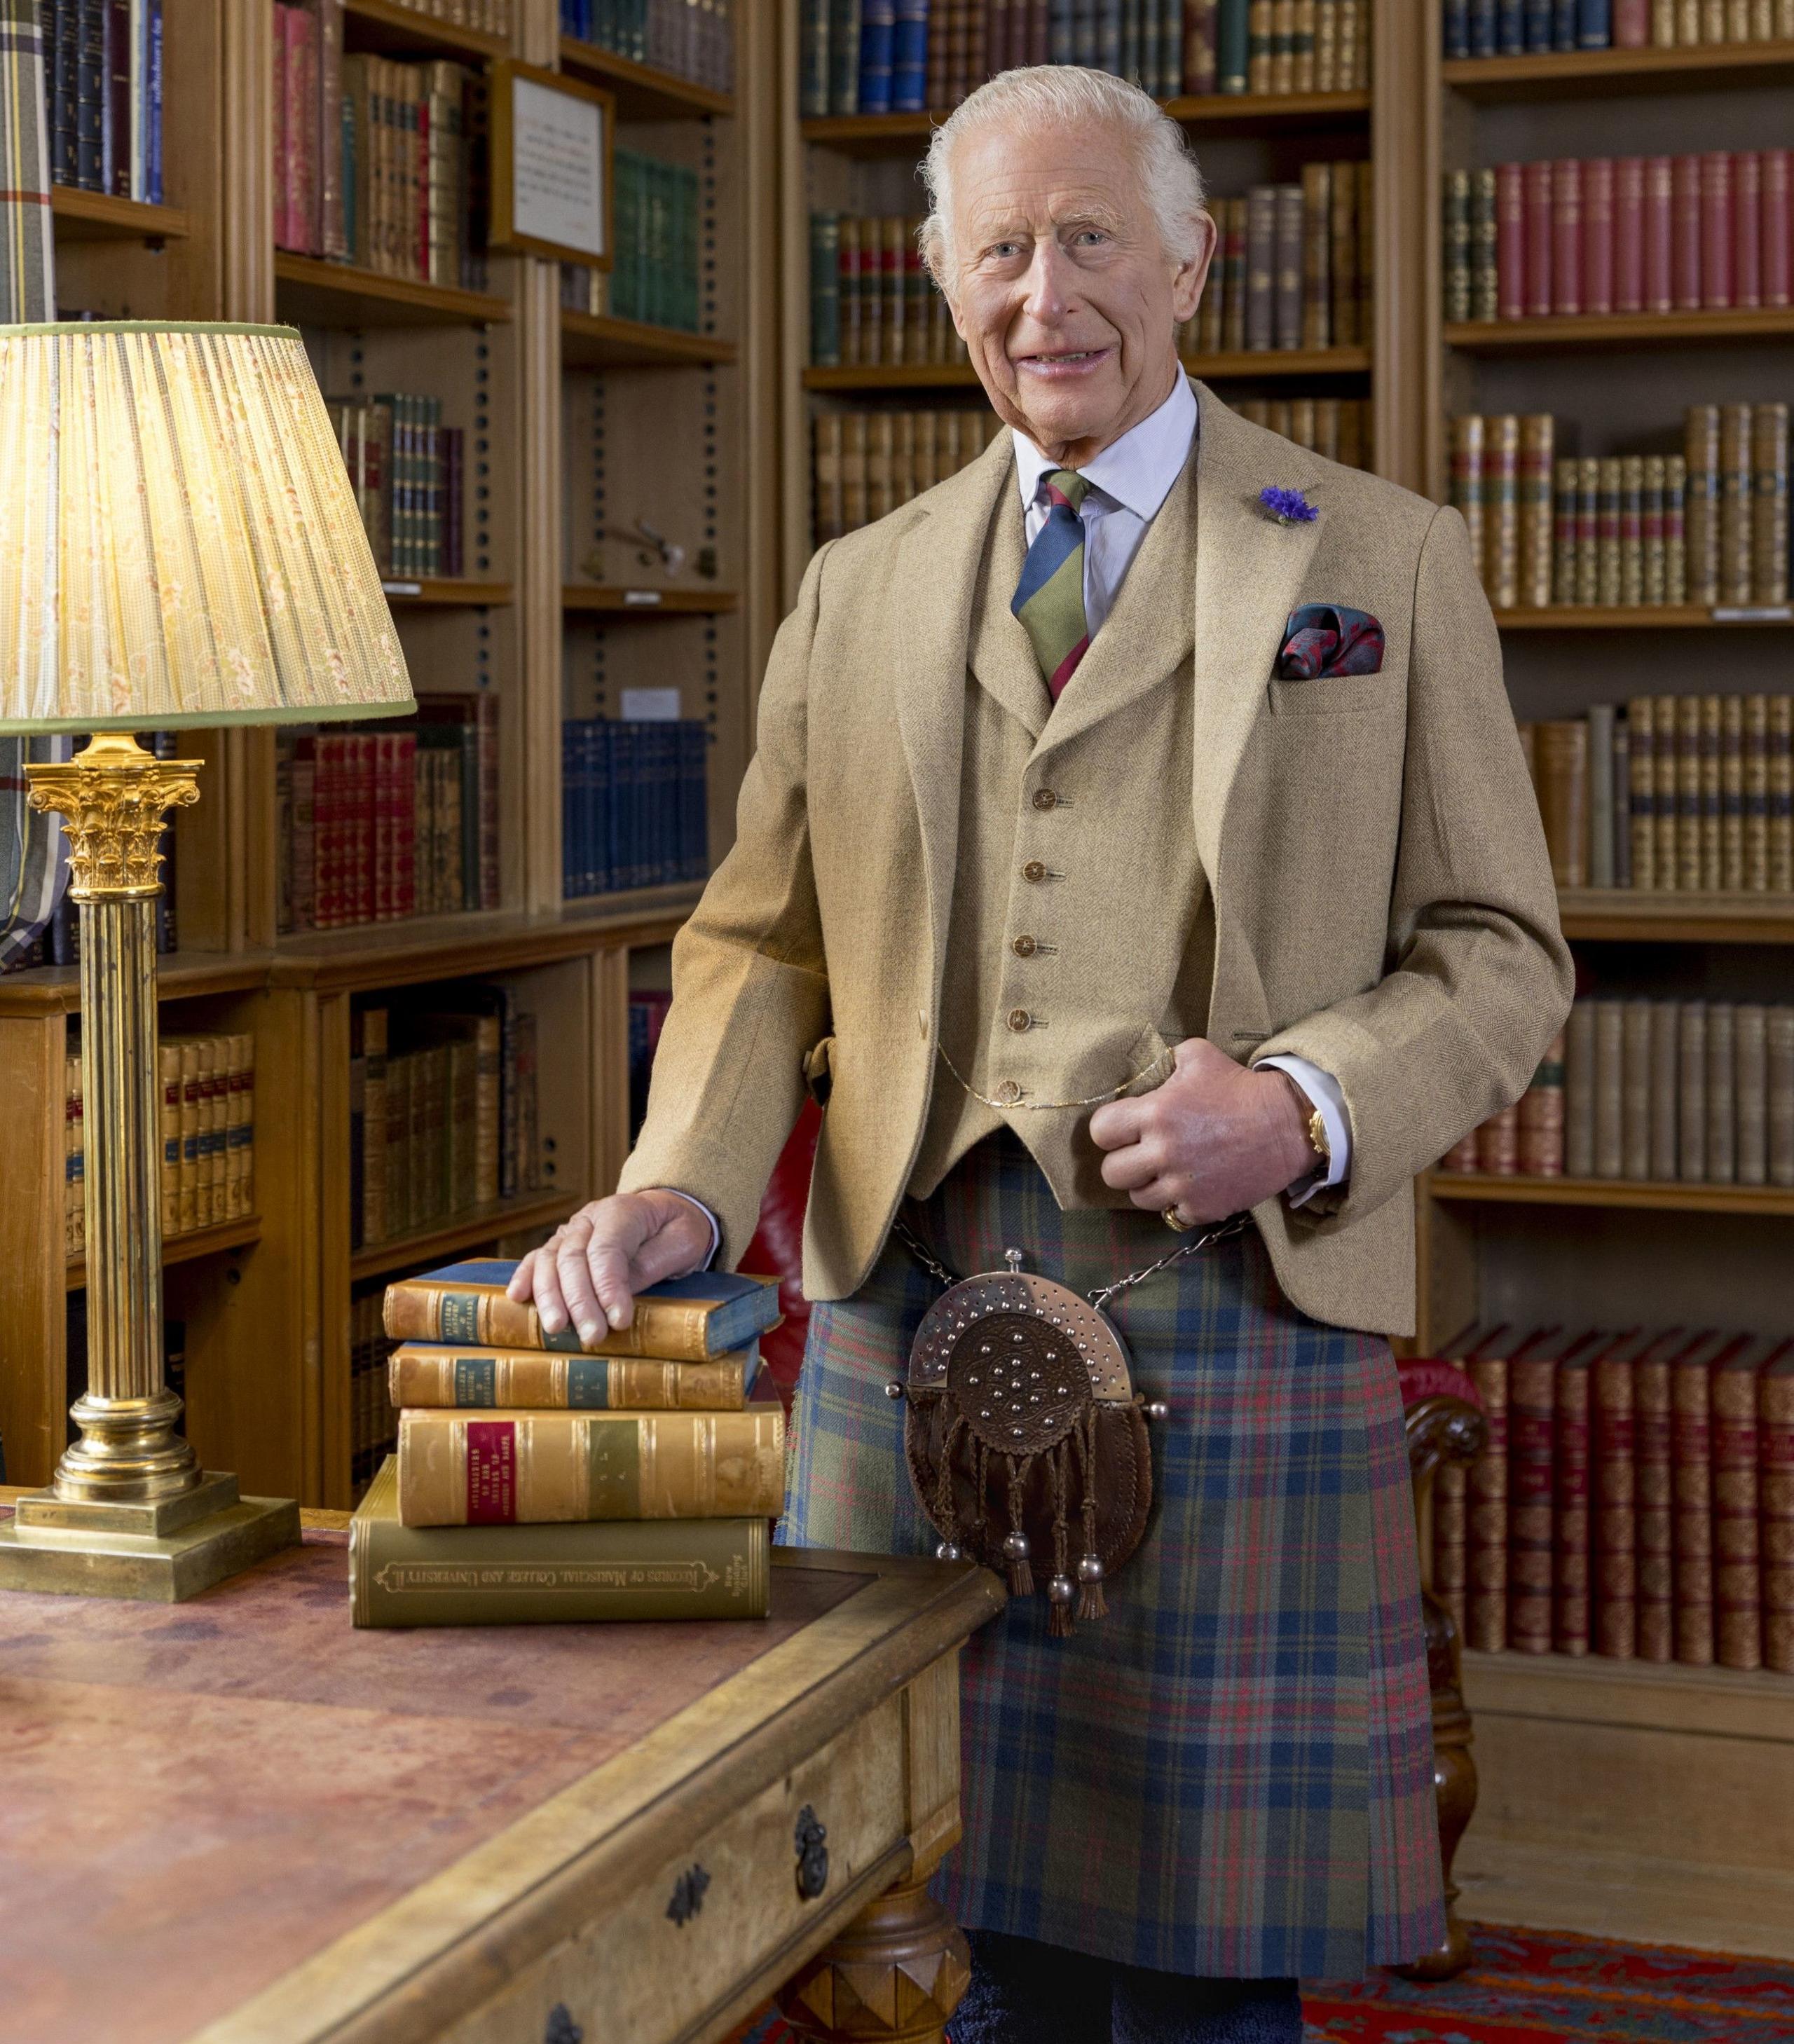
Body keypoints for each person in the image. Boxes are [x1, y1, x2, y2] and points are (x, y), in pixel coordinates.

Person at [511, 64, 1572, 2044]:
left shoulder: (1378, 555)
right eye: (998, 249)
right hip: (895, 1316)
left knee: (1198, 1991)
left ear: (1189, 262)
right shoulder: (860, 585)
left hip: (1231, 1310)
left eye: (1091, 238)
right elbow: (757, 943)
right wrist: (680, 1184)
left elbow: (1505, 959)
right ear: (940, 279)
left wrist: (1307, 1106)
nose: (1044, 293)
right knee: (897, 1933)